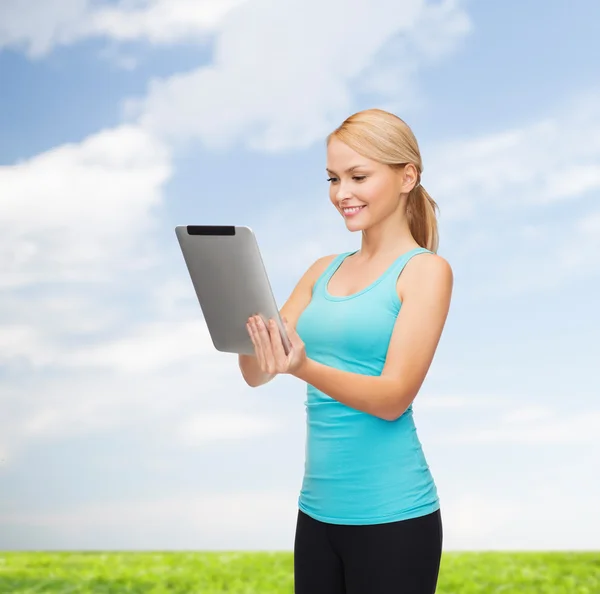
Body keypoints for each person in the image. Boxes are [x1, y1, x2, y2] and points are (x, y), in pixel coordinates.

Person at [238, 108, 453, 594]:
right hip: (316, 514)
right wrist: (247, 327)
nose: (342, 193)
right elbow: (255, 373)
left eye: (358, 177)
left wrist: (304, 366)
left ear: (407, 176)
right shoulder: (321, 270)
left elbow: (393, 397)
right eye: (334, 178)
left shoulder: (424, 272)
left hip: (395, 519)